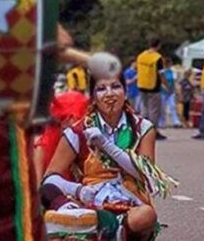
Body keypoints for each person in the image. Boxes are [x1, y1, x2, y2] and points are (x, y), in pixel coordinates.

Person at [40, 72, 174, 240]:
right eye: (101, 89)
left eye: (116, 87)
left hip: (131, 206)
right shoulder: (78, 131)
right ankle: (84, 221)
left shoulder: (143, 128)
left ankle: (99, 228)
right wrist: (79, 191)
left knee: (146, 216)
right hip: (90, 204)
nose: (109, 94)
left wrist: (106, 145)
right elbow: (49, 179)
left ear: (125, 92)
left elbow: (145, 175)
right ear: (93, 97)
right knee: (46, 192)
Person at [135, 39, 167, 141]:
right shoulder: (157, 58)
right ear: (159, 45)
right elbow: (161, 73)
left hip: (142, 85)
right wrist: (166, 84)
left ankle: (143, 131)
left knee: (144, 109)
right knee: (154, 111)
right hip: (153, 87)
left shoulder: (141, 56)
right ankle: (153, 132)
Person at [160, 58, 181, 129]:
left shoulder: (172, 72)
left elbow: (174, 82)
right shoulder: (162, 72)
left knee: (172, 106)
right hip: (162, 92)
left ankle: (176, 121)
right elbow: (160, 81)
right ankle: (162, 122)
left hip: (171, 92)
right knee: (162, 108)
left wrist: (176, 90)